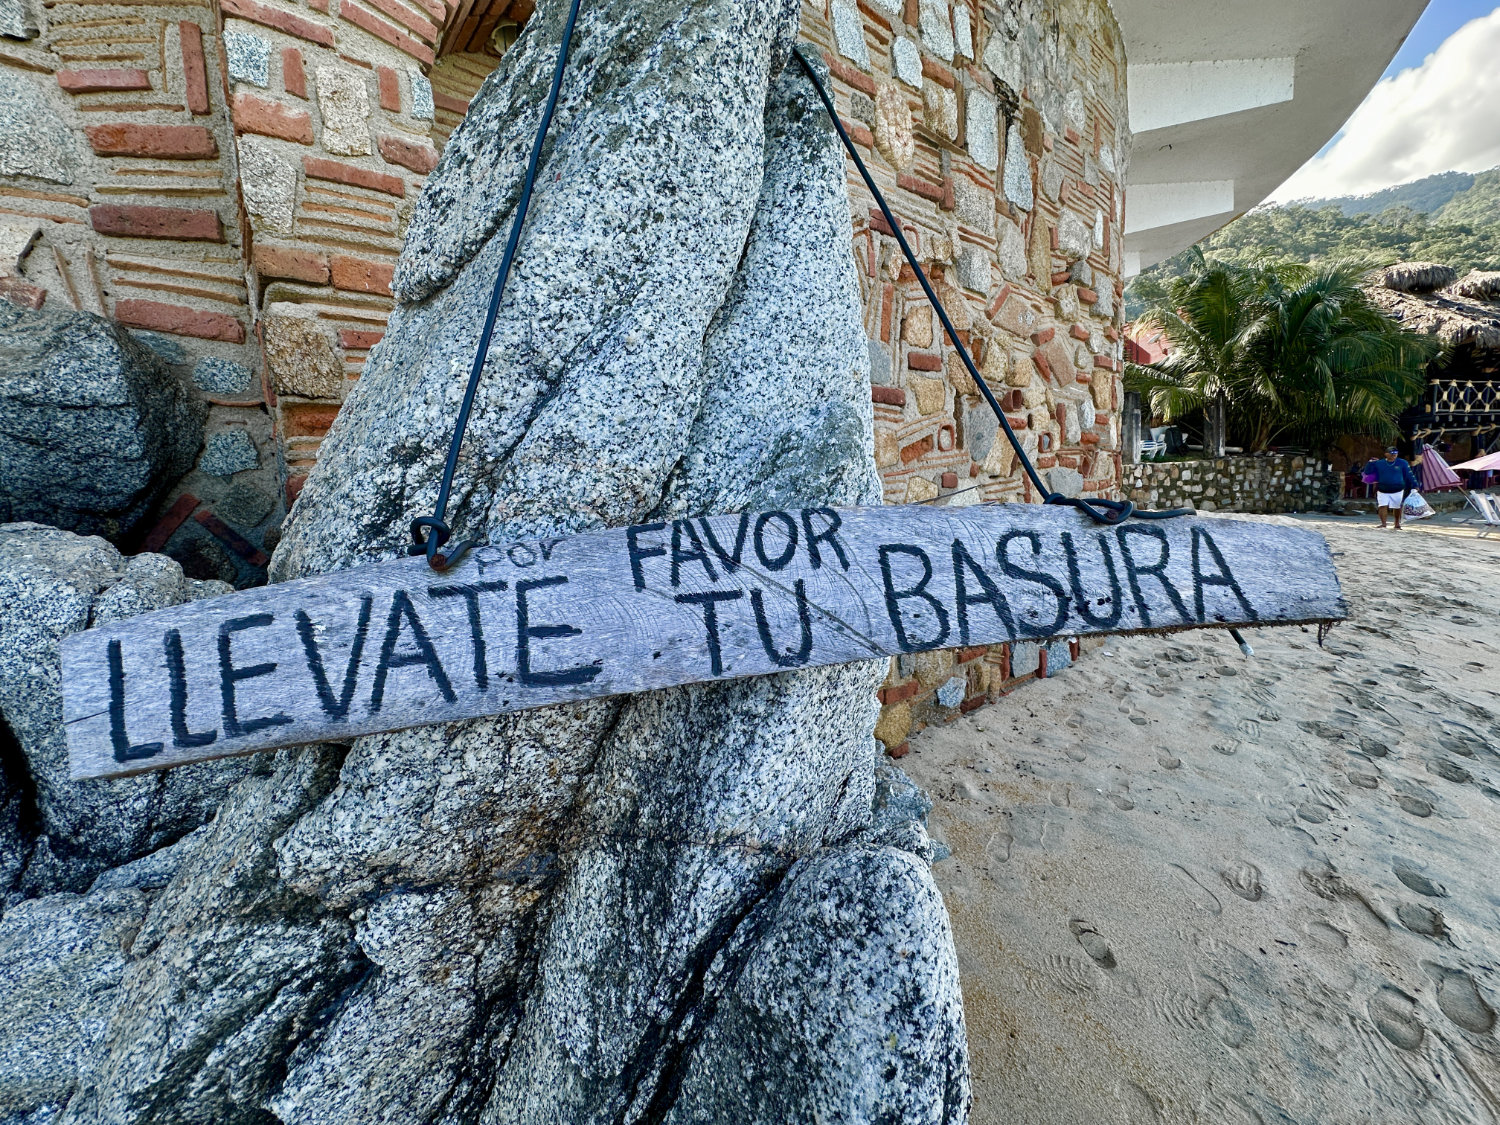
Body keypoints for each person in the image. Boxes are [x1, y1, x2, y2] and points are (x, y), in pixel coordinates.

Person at [1364, 447, 1419, 529]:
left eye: (1395, 454)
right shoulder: (1379, 463)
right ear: (1386, 454)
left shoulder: (1402, 463)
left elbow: (1409, 474)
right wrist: (1370, 463)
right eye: (1391, 453)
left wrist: (1415, 485)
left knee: (1397, 507)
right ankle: (1383, 524)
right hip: (1382, 489)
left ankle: (1397, 524)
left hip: (1398, 489)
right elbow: (1367, 472)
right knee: (1382, 506)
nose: (1394, 455)